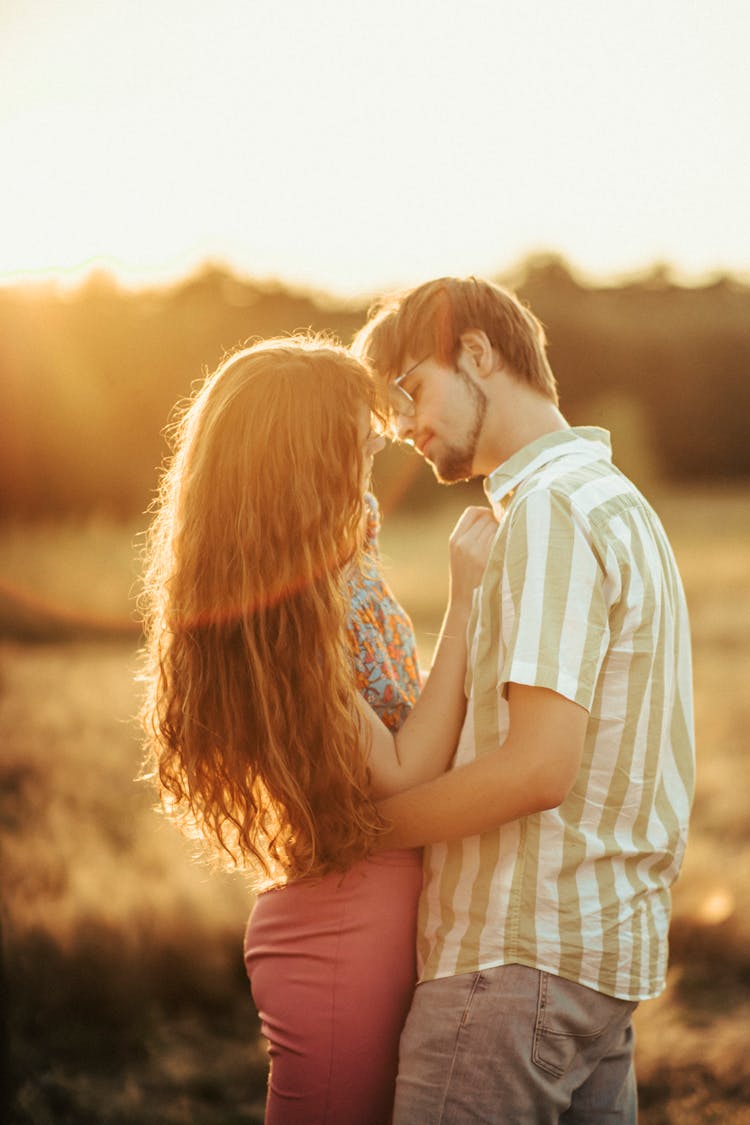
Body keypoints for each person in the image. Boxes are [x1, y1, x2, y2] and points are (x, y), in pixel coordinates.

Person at [352, 276, 695, 1124]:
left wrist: (355, 834)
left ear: (477, 352)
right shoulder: (620, 504)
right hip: (594, 972)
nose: (405, 429)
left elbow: (539, 767)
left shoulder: (545, 510)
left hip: (511, 969)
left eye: (412, 391)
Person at [138, 334, 497, 1125]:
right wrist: (468, 600)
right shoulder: (284, 608)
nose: (370, 455)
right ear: (302, 460)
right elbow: (401, 770)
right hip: (341, 929)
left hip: (365, 910)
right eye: (353, 440)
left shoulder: (340, 568)